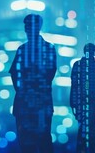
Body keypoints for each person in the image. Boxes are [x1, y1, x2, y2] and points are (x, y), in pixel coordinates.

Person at [9, 14, 57, 152]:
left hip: (34, 102)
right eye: (26, 26)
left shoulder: (43, 49)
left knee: (38, 142)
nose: (27, 29)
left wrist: (24, 90)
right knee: (30, 142)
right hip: (35, 102)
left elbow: (15, 74)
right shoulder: (26, 49)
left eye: (29, 26)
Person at [70, 43, 95, 153]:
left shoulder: (81, 65)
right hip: (86, 103)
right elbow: (75, 85)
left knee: (88, 131)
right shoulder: (94, 67)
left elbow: (74, 85)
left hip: (89, 103)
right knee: (87, 131)